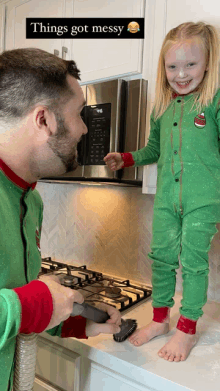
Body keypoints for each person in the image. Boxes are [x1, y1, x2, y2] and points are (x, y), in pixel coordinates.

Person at [0, 47, 121, 391]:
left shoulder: (30, 200)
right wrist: (34, 306)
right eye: (79, 113)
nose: (84, 128)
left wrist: (68, 321)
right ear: (44, 119)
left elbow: (14, 296)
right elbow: (24, 304)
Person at [104, 21, 220, 362]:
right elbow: (153, 150)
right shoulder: (162, 107)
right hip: (168, 198)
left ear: (208, 64)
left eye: (190, 65)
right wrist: (127, 158)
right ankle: (160, 320)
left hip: (204, 200)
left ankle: (186, 329)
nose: (181, 74)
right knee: (161, 258)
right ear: (163, 68)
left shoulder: (212, 102)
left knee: (194, 263)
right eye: (173, 66)